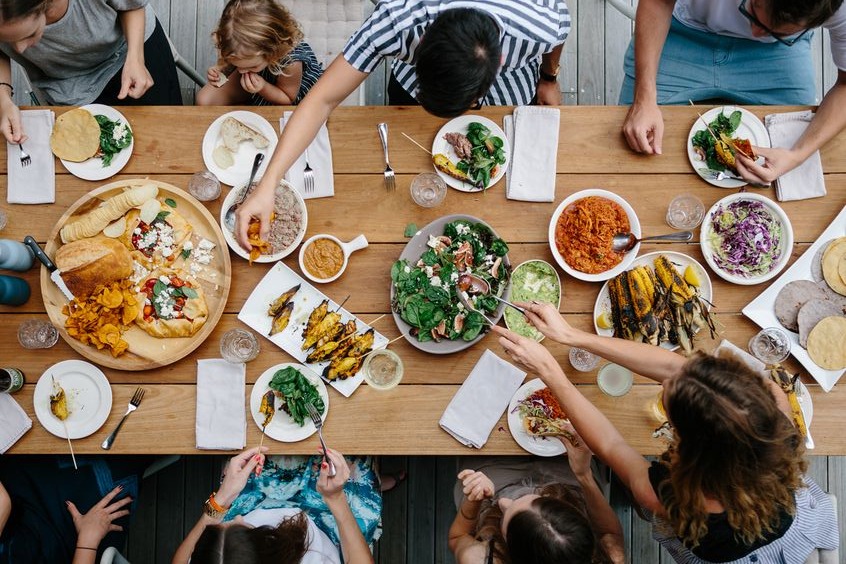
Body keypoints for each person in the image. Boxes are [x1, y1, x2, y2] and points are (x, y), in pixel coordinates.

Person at [491, 302, 839, 563]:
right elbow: (674, 368)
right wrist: (569, 335)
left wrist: (551, 372)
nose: (665, 381)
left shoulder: (673, 498)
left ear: (689, 447)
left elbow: (611, 444)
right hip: (793, 512)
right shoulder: (770, 407)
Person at [234, 0, 570, 250]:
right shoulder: (396, 20)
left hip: (508, 89)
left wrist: (548, 77)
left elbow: (560, 34)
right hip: (411, 87)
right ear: (419, 44)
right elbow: (321, 100)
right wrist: (268, 183)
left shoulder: (538, 25)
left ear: (500, 61)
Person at [620, 0, 846, 185]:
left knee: (795, 164)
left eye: (772, 29)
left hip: (774, 52)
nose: (755, 32)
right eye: (752, 8)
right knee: (631, 142)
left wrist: (797, 156)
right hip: (686, 31)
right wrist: (644, 98)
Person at [0, 0, 182, 145]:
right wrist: (4, 100)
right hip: (69, 86)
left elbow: (131, 4)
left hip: (130, 49)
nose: (20, 50)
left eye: (28, 35)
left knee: (169, 135)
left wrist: (135, 58)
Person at [173, 447, 378, 564]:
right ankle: (377, 479)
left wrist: (222, 499)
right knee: (352, 466)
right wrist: (336, 498)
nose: (236, 517)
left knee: (238, 458)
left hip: (256, 503)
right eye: (238, 525)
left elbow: (180, 562)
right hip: (327, 524)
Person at [448, 432, 625, 563]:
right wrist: (584, 474)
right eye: (540, 499)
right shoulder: (611, 559)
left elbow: (458, 537)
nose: (504, 502)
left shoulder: (478, 559)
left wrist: (475, 499)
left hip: (495, 484)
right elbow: (610, 533)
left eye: (506, 513)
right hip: (568, 482)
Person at [0, 455, 143, 564]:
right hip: (78, 536)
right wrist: (88, 540)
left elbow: (3, 502)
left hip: (20, 497)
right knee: (123, 451)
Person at [196, 0, 323, 107]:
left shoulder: (291, 63)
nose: (241, 71)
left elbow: (288, 99)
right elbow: (230, 63)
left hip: (281, 91)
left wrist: (263, 87)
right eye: (238, 65)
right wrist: (220, 70)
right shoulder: (233, 41)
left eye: (251, 66)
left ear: (273, 52)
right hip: (256, 80)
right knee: (204, 100)